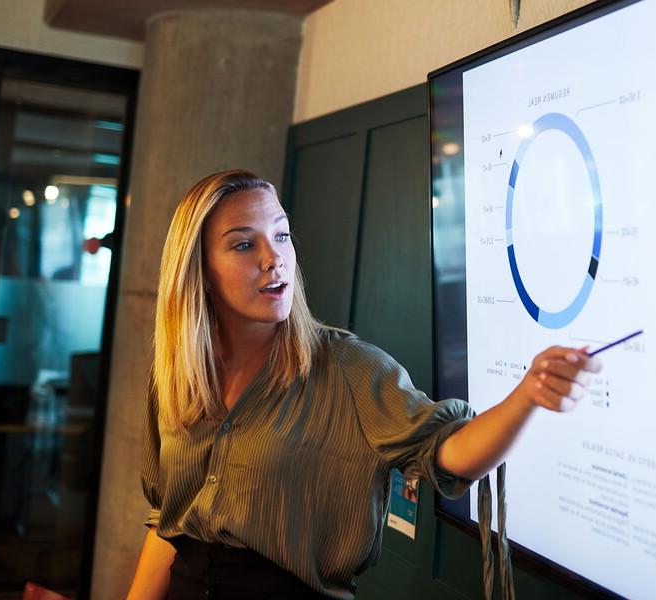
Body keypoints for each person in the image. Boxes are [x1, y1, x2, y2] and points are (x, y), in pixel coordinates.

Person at [125, 170, 600, 599]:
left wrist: (527, 396)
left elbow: (452, 453)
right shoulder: (176, 375)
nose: (275, 259)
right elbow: (167, 523)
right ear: (199, 270)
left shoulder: (348, 368)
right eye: (244, 245)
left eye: (282, 235)